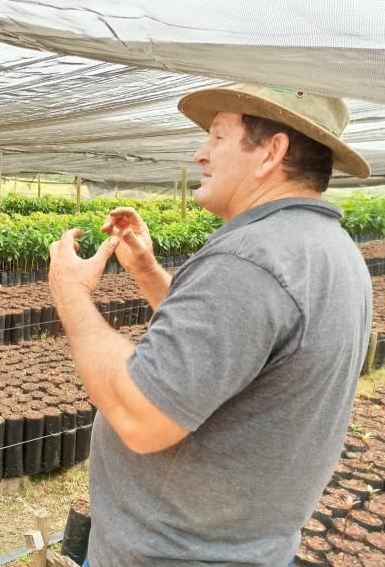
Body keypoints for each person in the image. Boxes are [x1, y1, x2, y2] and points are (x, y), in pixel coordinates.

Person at [48, 83, 372, 565]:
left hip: (171, 555)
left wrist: (69, 291)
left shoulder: (250, 259)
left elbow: (141, 417)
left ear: (272, 152)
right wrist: (147, 272)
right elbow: (233, 352)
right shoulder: (329, 249)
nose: (201, 153)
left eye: (218, 136)